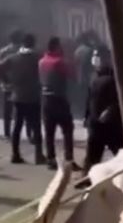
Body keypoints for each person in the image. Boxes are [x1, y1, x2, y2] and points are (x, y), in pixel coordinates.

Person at [0, 33, 44, 164]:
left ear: (22, 44)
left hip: (18, 95)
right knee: (36, 125)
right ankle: (38, 155)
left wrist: (7, 82)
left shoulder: (13, 58)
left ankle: (15, 154)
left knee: (17, 125)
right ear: (33, 44)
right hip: (33, 95)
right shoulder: (38, 58)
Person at [83, 46, 123, 174]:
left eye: (97, 55)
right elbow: (89, 98)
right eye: (94, 55)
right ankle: (86, 179)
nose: (95, 58)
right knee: (92, 157)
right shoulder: (93, 76)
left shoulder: (115, 76)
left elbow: (121, 98)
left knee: (122, 155)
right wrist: (87, 117)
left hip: (112, 124)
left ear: (106, 58)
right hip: (95, 124)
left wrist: (111, 110)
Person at [39, 37, 79, 170]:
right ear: (57, 47)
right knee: (67, 130)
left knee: (49, 131)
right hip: (59, 99)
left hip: (46, 99)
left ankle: (50, 159)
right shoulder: (60, 62)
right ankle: (68, 160)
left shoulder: (41, 61)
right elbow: (73, 76)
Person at [0, 29, 24, 139]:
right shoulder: (23, 51)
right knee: (22, 109)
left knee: (7, 109)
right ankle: (23, 132)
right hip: (21, 84)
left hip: (8, 83)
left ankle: (7, 132)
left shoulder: (4, 51)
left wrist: (4, 81)